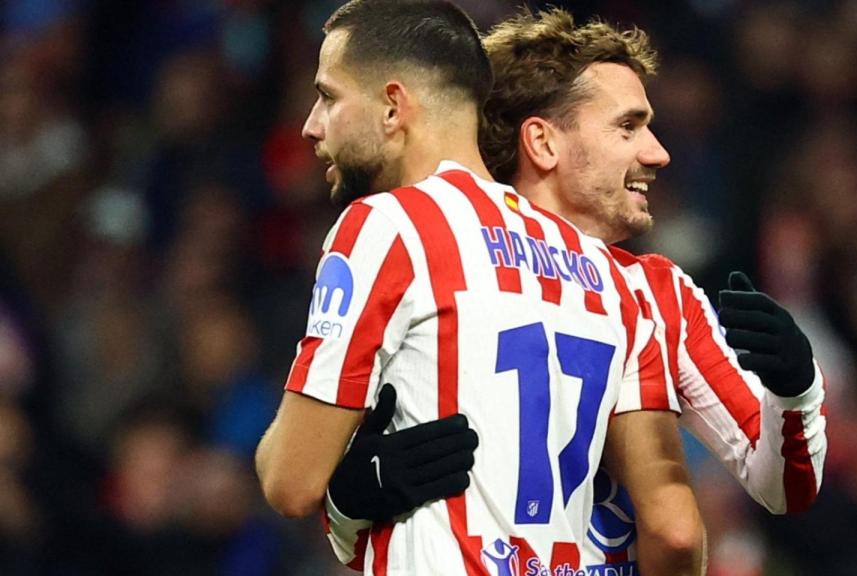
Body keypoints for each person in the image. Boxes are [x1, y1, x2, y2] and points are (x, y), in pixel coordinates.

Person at [325, 6, 826, 572]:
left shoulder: (426, 260)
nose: (657, 153)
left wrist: (792, 387)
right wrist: (797, 396)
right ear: (542, 143)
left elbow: (360, 519)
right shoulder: (647, 296)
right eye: (627, 127)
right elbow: (692, 524)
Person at [254, 2, 703, 575]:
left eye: (329, 97)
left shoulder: (390, 226)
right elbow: (673, 528)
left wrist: (345, 493)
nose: (312, 125)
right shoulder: (604, 272)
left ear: (393, 107)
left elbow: (290, 482)